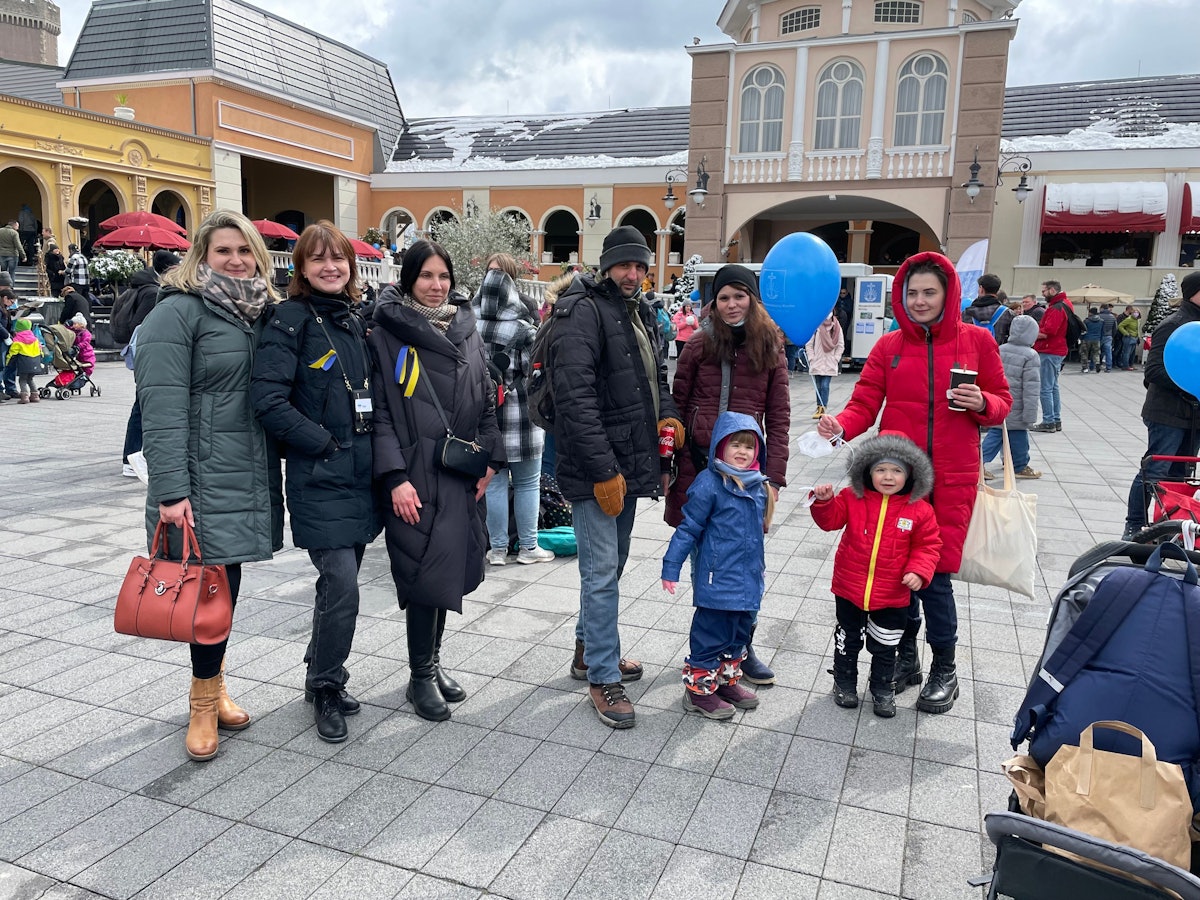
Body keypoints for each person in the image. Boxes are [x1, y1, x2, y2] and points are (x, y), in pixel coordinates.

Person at [817, 251, 1011, 715]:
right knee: (894, 572)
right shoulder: (889, 345)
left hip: (954, 477)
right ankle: (906, 660)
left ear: (948, 294)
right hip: (898, 479)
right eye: (912, 292)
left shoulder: (977, 342)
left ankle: (945, 667)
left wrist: (982, 401)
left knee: (935, 576)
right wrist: (841, 424)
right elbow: (865, 401)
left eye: (930, 292)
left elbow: (1004, 402)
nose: (920, 300)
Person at [135, 209, 284, 762]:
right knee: (201, 594)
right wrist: (172, 490)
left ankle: (215, 684)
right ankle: (201, 704)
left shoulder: (258, 313)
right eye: (224, 251)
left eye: (245, 251)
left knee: (225, 587)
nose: (236, 260)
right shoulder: (178, 313)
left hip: (244, 475)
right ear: (202, 257)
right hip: (198, 481)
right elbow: (161, 408)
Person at [250, 221, 381, 743]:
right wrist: (324, 444)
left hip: (362, 478)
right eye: (318, 259)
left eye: (339, 258)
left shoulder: (353, 320)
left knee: (338, 587)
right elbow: (268, 402)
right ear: (300, 268)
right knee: (343, 584)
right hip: (320, 477)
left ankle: (317, 669)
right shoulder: (289, 320)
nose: (331, 267)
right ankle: (326, 684)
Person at [547, 225, 682, 729]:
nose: (632, 273)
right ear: (606, 266)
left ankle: (590, 652)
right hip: (595, 469)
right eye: (624, 265)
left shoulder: (640, 312)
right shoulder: (581, 312)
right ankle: (603, 677)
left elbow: (656, 381)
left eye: (640, 265)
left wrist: (667, 417)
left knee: (614, 563)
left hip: (629, 463)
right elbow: (574, 399)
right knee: (601, 573)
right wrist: (604, 471)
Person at [368, 239, 503, 723]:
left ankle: (433, 661)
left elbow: (487, 398)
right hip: (415, 473)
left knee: (448, 569)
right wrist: (394, 477)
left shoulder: (467, 329)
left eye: (442, 276)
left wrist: (490, 459)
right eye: (425, 276)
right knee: (422, 572)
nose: (436, 285)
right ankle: (418, 675)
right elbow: (380, 411)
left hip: (460, 471)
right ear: (408, 279)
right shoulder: (385, 333)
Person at [666, 263, 789, 685]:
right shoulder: (699, 344)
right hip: (700, 468)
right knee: (709, 564)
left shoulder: (771, 346)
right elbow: (678, 408)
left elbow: (779, 414)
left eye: (740, 296)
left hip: (748, 477)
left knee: (746, 563)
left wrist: (774, 476)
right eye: (723, 298)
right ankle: (708, 654)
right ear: (713, 304)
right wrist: (675, 465)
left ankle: (740, 646)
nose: (732, 304)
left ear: (752, 300)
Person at [811, 433, 941, 718]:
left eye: (897, 470)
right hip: (849, 587)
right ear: (867, 471)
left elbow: (929, 546)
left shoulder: (920, 510)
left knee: (886, 644)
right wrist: (824, 503)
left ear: (910, 474)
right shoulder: (852, 497)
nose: (888, 476)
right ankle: (844, 682)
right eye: (880, 469)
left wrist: (919, 571)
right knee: (848, 639)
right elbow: (830, 522)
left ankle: (882, 688)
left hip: (893, 594)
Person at [661, 413, 772, 719]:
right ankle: (698, 692)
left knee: (737, 636)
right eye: (735, 444)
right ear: (719, 448)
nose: (742, 452)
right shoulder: (709, 484)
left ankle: (725, 682)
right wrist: (671, 567)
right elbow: (688, 529)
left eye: (749, 447)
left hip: (747, 580)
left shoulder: (757, 485)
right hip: (717, 580)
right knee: (710, 636)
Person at [472, 262, 552, 566]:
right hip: (522, 415)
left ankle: (497, 549)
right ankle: (529, 547)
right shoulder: (524, 329)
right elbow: (537, 373)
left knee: (493, 482)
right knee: (528, 482)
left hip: (486, 416)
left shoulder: (470, 327)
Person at [1123, 272, 1200, 539]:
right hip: (1167, 411)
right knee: (1156, 469)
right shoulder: (1174, 324)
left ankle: (1170, 526)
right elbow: (1154, 370)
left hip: (1195, 414)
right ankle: (1134, 525)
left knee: (1181, 472)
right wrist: (1189, 388)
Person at [982, 314, 1042, 480]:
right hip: (1018, 404)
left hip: (1000, 401)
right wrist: (1030, 414)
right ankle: (1017, 465)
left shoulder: (1001, 348)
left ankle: (1016, 464)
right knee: (1014, 434)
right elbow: (1031, 387)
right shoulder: (1031, 355)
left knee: (1000, 432)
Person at [1031, 280, 1073, 432]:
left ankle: (1049, 420)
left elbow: (1049, 331)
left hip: (1050, 350)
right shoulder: (1065, 303)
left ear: (1053, 290)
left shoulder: (1056, 308)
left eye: (1044, 291)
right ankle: (1055, 419)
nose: (1042, 293)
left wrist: (1031, 334)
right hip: (1057, 350)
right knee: (1053, 387)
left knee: (1045, 388)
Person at [805, 312, 843, 419]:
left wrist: (836, 359)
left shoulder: (836, 327)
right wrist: (811, 357)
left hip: (829, 362)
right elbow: (809, 343)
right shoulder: (816, 326)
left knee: (825, 386)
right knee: (818, 386)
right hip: (817, 361)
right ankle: (819, 407)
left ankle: (823, 407)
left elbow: (840, 345)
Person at [6, 317, 43, 403]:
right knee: (30, 379)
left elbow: (12, 353)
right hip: (35, 363)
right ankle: (35, 395)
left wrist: (7, 362)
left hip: (24, 363)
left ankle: (24, 396)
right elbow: (40, 351)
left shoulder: (17, 341)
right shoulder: (35, 339)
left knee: (22, 379)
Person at [1080, 307, 1102, 373]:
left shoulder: (1086, 321)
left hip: (1087, 339)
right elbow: (1102, 331)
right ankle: (1097, 363)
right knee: (1096, 353)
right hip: (1097, 339)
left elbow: (1083, 330)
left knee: (1084, 353)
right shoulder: (1101, 321)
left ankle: (1085, 368)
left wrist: (1081, 338)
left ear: (1090, 313)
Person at [1098, 304, 1118, 372]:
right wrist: (1112, 335)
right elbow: (1115, 328)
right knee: (1108, 352)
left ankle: (1095, 365)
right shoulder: (1112, 317)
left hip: (1099, 336)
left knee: (1097, 351)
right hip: (1109, 336)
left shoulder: (1099, 316)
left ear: (1102, 308)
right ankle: (1108, 367)